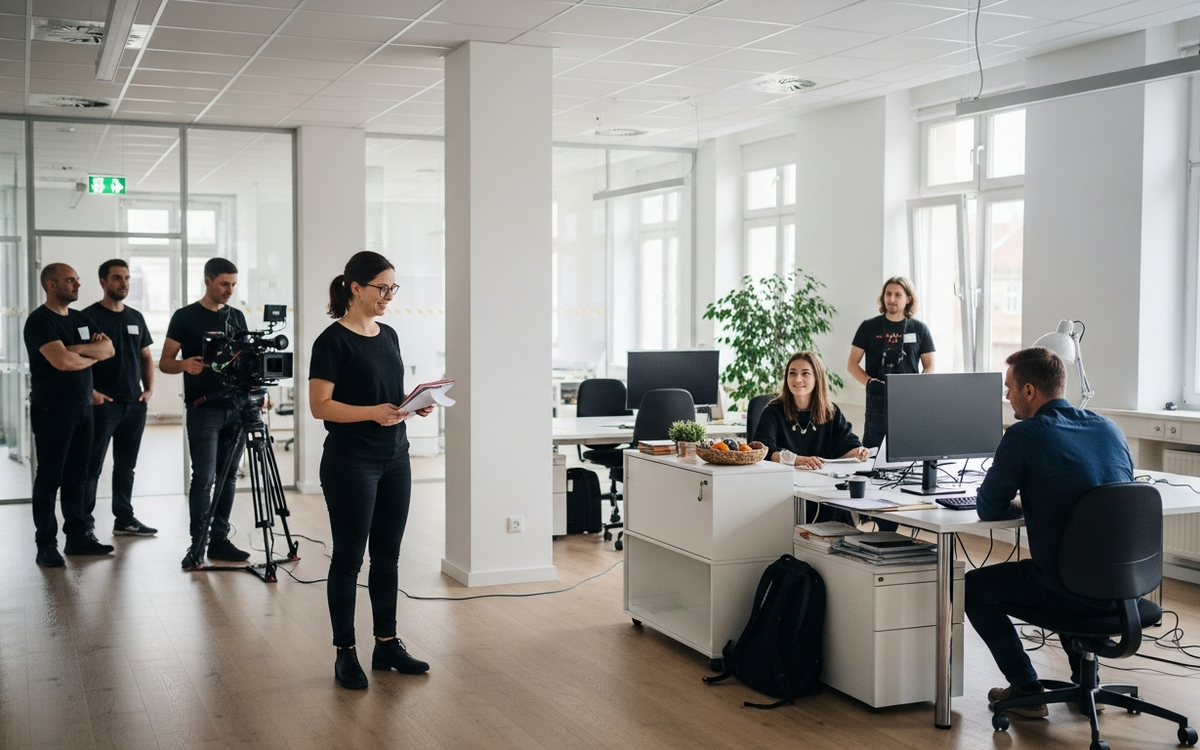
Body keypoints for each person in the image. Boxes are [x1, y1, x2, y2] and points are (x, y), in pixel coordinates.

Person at [965, 347, 1133, 719]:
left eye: (1009, 387)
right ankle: (1087, 686)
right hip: (1124, 587)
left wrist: (1024, 505)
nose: (1006, 395)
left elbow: (989, 508)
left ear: (1029, 390)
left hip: (1067, 588)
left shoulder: (1025, 435)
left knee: (971, 587)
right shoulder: (1110, 428)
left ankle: (1027, 689)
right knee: (1069, 566)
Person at [310, 251, 435, 690]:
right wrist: (372, 412)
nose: (389, 296)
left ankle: (386, 645)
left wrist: (410, 406)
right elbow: (320, 406)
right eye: (382, 288)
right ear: (355, 288)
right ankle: (345, 652)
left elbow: (385, 396)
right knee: (348, 559)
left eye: (392, 288)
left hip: (395, 457)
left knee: (387, 557)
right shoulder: (331, 342)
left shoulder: (390, 335)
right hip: (351, 462)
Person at [160, 257, 251, 567]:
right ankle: (197, 544)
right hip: (203, 409)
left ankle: (219, 541)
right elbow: (165, 362)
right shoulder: (185, 317)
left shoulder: (237, 317)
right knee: (203, 479)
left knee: (228, 478)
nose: (230, 290)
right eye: (224, 283)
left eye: (233, 284)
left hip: (236, 408)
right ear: (208, 281)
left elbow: (246, 361)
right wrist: (185, 365)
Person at [24, 263, 115, 566]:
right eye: (70, 280)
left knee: (78, 476)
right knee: (50, 477)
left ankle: (78, 538)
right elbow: (61, 362)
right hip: (52, 409)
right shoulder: (39, 321)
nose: (77, 285)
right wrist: (86, 353)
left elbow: (108, 350)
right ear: (52, 285)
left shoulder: (81, 318)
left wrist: (72, 351)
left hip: (83, 408)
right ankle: (46, 545)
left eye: (77, 280)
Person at [83, 259, 157, 538]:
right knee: (92, 467)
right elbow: (80, 359)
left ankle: (124, 519)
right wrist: (91, 393)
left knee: (126, 467)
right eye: (117, 278)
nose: (123, 283)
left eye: (126, 278)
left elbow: (146, 356)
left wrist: (148, 390)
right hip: (103, 405)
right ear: (103, 282)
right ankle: (84, 526)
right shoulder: (88, 317)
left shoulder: (135, 317)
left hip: (134, 404)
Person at [753, 352, 868, 525]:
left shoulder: (831, 412)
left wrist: (858, 451)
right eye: (792, 373)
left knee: (841, 519)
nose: (797, 379)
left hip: (823, 488)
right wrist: (797, 460)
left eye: (805, 373)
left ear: (817, 378)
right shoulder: (773, 411)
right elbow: (762, 449)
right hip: (785, 491)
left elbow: (846, 444)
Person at [847, 276, 935, 449]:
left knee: (908, 447)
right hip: (877, 397)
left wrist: (918, 386)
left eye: (897, 295)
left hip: (908, 397)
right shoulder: (868, 327)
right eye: (888, 294)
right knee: (873, 449)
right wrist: (871, 383)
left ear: (908, 299)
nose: (891, 299)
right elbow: (852, 364)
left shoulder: (920, 329)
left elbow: (930, 365)